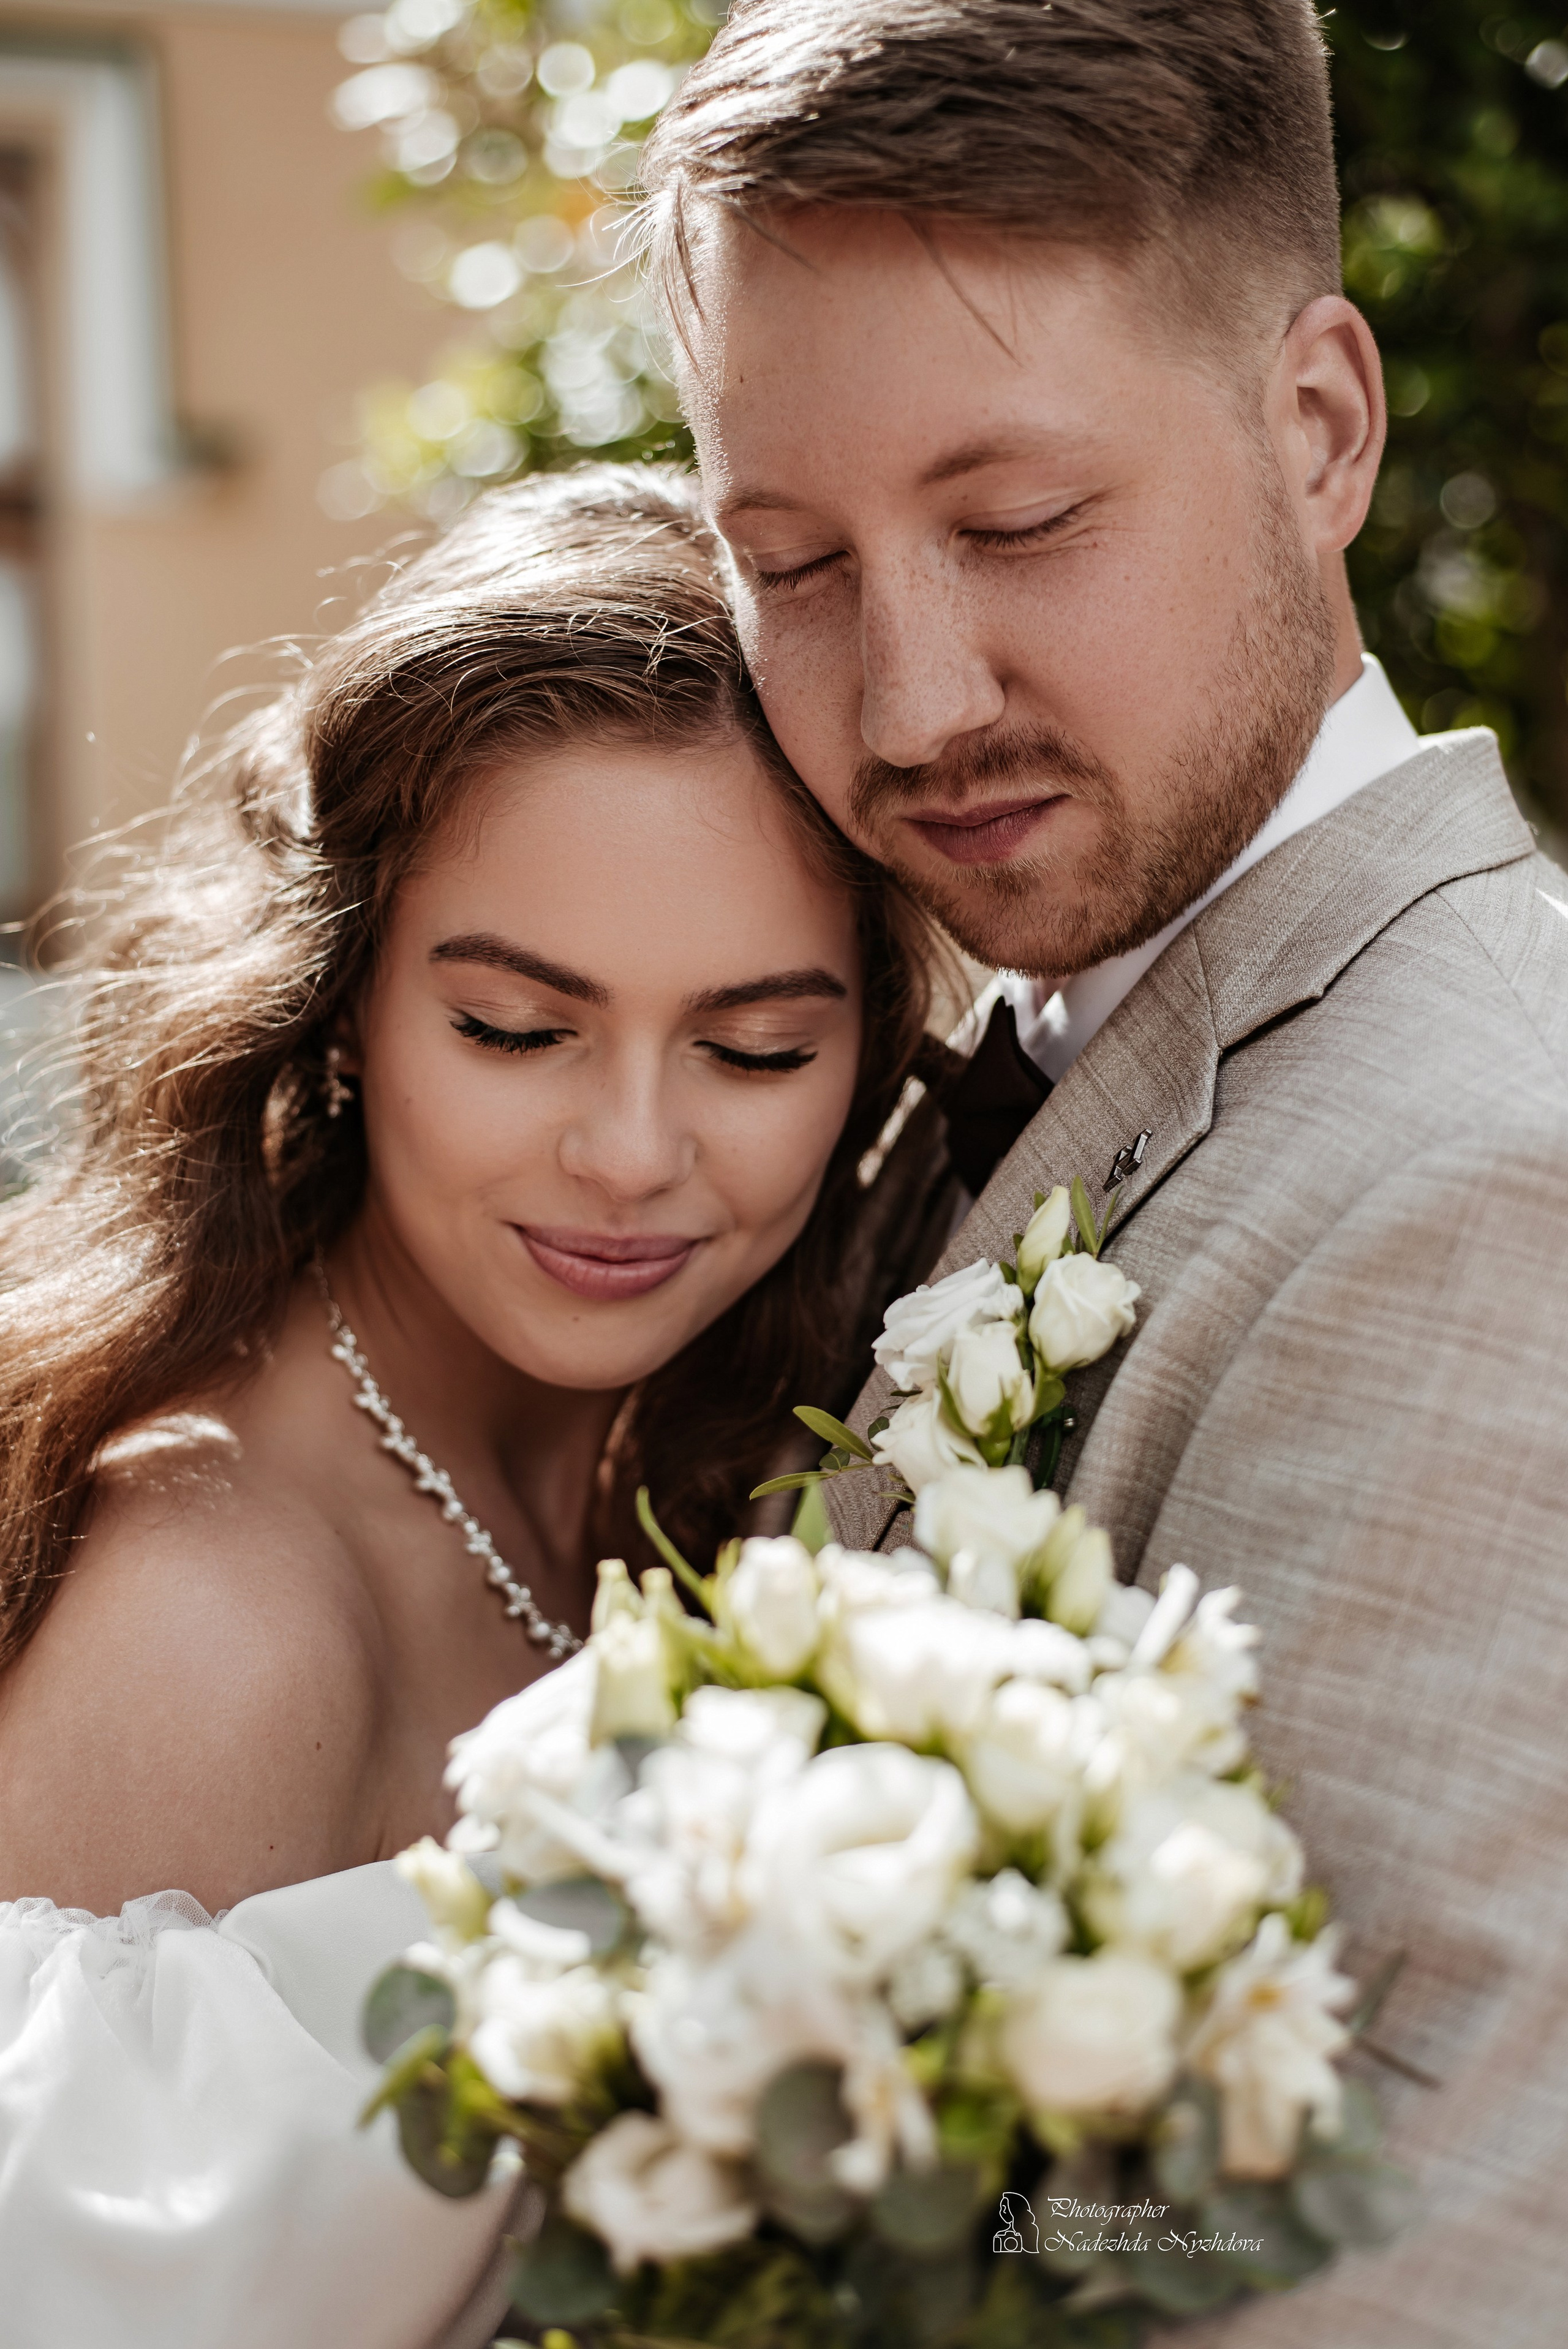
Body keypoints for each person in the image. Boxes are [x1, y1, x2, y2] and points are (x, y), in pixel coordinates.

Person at [643, 6, 1568, 2343]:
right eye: (791, 560)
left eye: (1018, 521)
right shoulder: (984, 1061)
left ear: (1321, 424)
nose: (910, 699)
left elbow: (1387, 2255)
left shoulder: (1489, 1178)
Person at [0, 464, 956, 2348]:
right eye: (518, 1028)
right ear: (343, 998)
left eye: (757, 1045)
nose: (630, 1154)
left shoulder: (717, 1457)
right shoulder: (220, 1616)